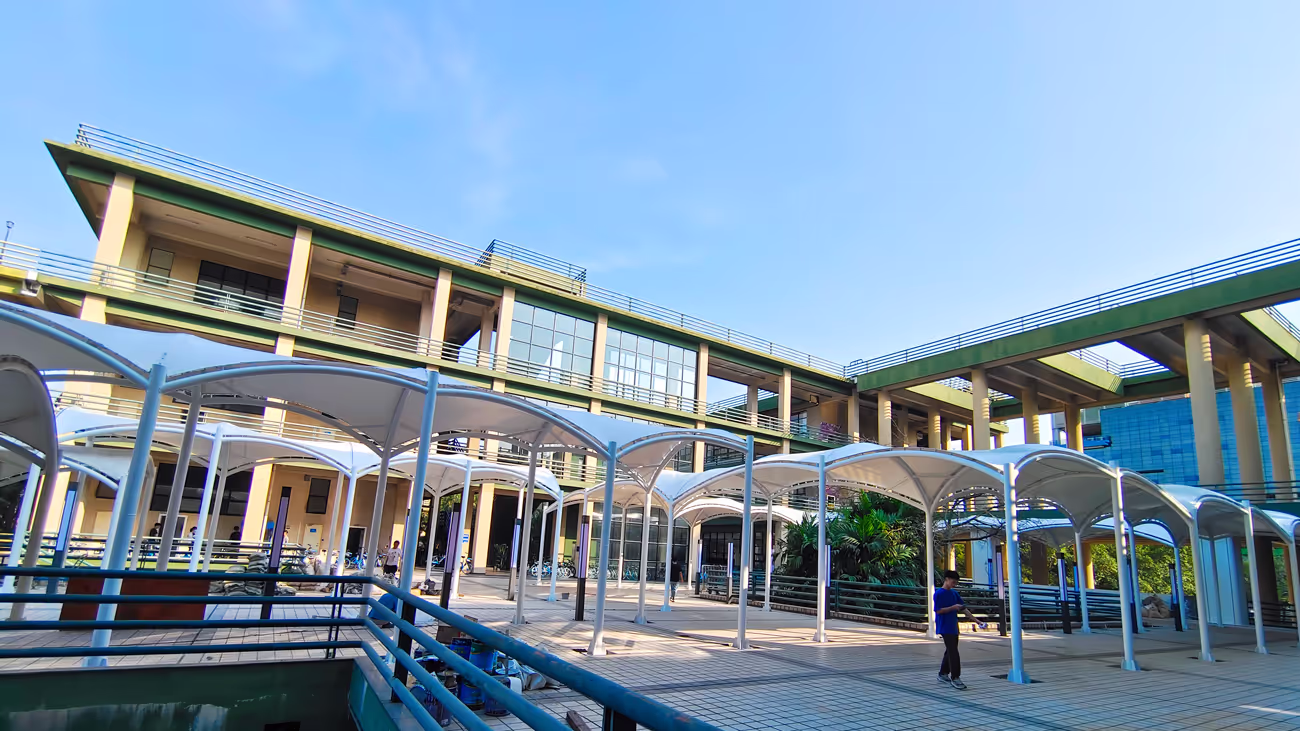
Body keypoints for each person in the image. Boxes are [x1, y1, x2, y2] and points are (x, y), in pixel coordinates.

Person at [934, 569, 986, 690]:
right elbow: (938, 610)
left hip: (953, 626)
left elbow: (963, 609)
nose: (954, 585)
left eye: (956, 583)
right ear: (946, 579)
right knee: (953, 652)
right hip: (944, 626)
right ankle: (955, 677)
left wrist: (976, 621)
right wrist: (953, 607)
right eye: (953, 582)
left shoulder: (954, 594)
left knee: (950, 650)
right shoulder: (939, 594)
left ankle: (943, 673)